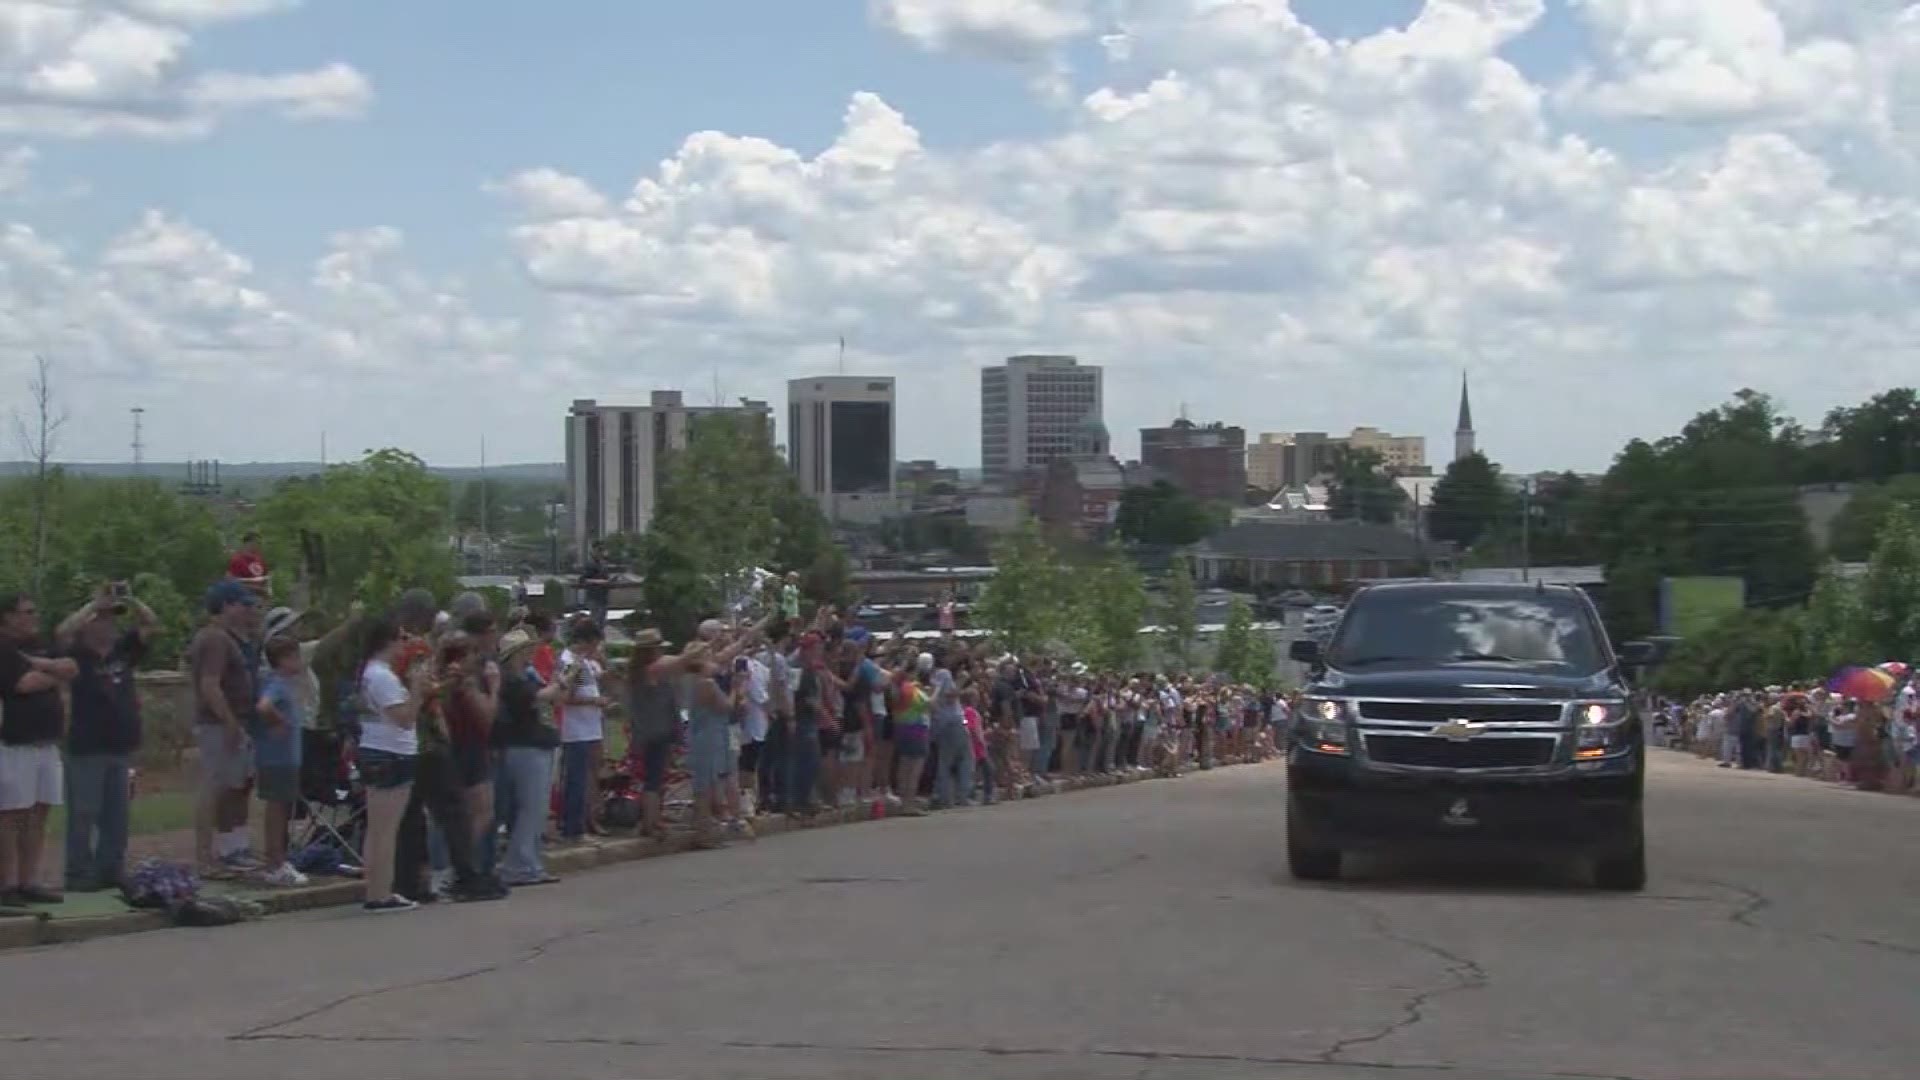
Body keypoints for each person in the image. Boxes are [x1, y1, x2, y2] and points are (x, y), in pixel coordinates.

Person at [55, 584, 157, 893]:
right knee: (84, 812)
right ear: (88, 624)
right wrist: (92, 605)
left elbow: (150, 624)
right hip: (86, 744)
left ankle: (110, 868)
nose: (109, 623)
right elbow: (62, 632)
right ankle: (78, 872)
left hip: (120, 744)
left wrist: (129, 598)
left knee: (117, 814)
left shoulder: (124, 650)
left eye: (112, 619)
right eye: (103, 618)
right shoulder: (76, 654)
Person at [0, 592, 78, 905]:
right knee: (11, 814)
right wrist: (53, 673)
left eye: (35, 611)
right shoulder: (4, 647)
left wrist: (45, 666)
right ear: (8, 616)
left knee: (38, 812)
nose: (34, 617)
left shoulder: (37, 645)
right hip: (15, 743)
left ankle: (28, 879)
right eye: (27, 612)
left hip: (47, 742)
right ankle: (5, 885)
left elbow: (71, 667)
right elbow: (23, 683)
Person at [189, 581, 261, 877]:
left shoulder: (233, 639)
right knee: (214, 788)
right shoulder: (215, 639)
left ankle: (233, 849)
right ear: (226, 606)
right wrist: (229, 721)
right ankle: (205, 858)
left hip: (238, 721)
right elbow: (209, 684)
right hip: (218, 724)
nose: (249, 611)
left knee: (235, 786)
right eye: (243, 605)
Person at [356, 616, 426, 913]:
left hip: (378, 747)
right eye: (400, 639)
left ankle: (376, 888)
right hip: (391, 752)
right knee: (386, 829)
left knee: (378, 827)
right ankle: (381, 893)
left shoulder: (372, 673)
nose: (404, 645)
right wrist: (419, 691)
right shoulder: (381, 676)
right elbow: (404, 717)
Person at [491, 628, 565, 886]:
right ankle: (519, 864)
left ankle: (531, 862)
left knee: (537, 808)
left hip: (536, 744)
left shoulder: (526, 676)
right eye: (527, 649)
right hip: (524, 747)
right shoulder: (511, 680)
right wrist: (558, 684)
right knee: (530, 808)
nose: (532, 652)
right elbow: (537, 699)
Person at [252, 636, 309, 886]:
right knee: (277, 809)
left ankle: (278, 859)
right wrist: (279, 721)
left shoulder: (283, 683)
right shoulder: (276, 684)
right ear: (284, 660)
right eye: (295, 656)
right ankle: (274, 862)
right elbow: (264, 707)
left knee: (283, 808)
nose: (299, 661)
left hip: (285, 758)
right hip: (278, 758)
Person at [556, 618, 608, 842]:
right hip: (575, 729)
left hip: (589, 726)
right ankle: (572, 827)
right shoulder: (569, 662)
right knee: (576, 778)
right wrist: (593, 701)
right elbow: (566, 697)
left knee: (587, 776)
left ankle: (584, 820)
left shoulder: (584, 662)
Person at [227, 531, 270, 595]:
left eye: (259, 543)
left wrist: (266, 591)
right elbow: (232, 582)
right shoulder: (237, 560)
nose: (258, 545)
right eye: (256, 542)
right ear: (247, 543)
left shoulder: (259, 559)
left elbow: (266, 577)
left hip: (260, 598)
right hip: (243, 598)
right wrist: (256, 588)